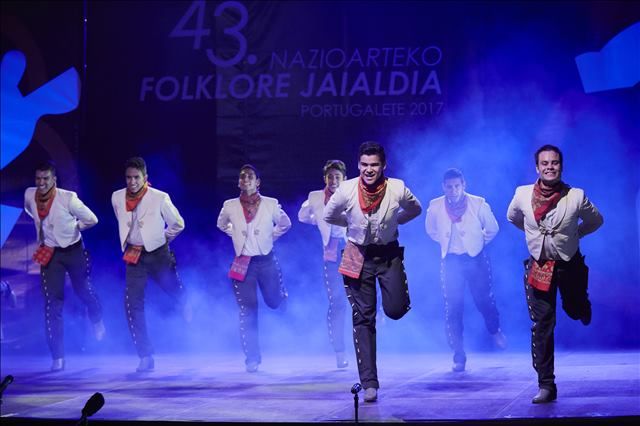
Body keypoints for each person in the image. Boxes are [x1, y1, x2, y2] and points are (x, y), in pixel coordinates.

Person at [323, 141, 422, 402]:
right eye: (364, 165)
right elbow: (329, 214)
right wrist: (349, 225)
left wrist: (396, 220)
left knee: (395, 310)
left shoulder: (396, 188)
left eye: (374, 165)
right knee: (363, 318)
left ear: (383, 165)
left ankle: (388, 307)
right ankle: (369, 383)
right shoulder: (347, 189)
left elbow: (415, 208)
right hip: (357, 254)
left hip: (388, 254)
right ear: (358, 165)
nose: (369, 170)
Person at [507, 144, 603, 403]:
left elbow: (596, 221)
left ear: (561, 166)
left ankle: (582, 307)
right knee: (543, 324)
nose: (550, 167)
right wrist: (533, 234)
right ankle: (546, 384)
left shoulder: (576, 196)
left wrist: (576, 234)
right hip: (539, 266)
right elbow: (512, 217)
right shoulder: (523, 194)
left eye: (555, 163)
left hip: (569, 265)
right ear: (537, 167)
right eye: (545, 163)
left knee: (573, 308)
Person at [24, 161, 105, 371]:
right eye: (38, 179)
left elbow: (92, 219)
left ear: (54, 180)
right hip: (50, 253)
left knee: (83, 290)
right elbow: (29, 210)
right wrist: (46, 231)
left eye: (46, 179)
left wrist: (72, 228)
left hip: (73, 250)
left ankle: (96, 318)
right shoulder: (29, 195)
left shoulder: (68, 198)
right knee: (53, 304)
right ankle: (57, 357)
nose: (41, 183)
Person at [112, 156, 190, 372]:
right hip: (134, 256)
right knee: (132, 303)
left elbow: (178, 223)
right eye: (128, 177)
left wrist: (161, 239)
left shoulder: (159, 197)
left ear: (145, 178)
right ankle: (145, 355)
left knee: (173, 289)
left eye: (136, 177)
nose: (132, 182)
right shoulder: (117, 197)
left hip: (158, 254)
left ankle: (185, 301)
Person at [425, 168, 507, 373]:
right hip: (451, 261)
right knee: (453, 308)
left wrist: (477, 245)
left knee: (483, 300)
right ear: (443, 187)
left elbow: (493, 228)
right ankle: (459, 355)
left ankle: (494, 329)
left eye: (457, 186)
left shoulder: (477, 203)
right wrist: (447, 245)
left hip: (475, 260)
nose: (453, 190)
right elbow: (431, 230)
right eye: (449, 186)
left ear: (463, 185)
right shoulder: (435, 205)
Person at [217, 164, 291, 373]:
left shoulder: (270, 204)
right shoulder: (230, 205)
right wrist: (236, 234)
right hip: (243, 263)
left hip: (265, 261)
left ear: (258, 182)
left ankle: (281, 298)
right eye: (242, 177)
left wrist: (270, 235)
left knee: (273, 301)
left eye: (250, 177)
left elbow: (285, 224)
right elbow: (221, 224)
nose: (245, 180)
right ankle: (252, 357)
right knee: (248, 310)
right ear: (238, 182)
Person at [298, 159, 349, 369]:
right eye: (330, 176)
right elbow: (302, 216)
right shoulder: (315, 197)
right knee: (337, 302)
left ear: (344, 179)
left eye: (337, 176)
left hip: (351, 249)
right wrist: (318, 220)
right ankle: (340, 351)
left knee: (356, 300)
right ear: (325, 178)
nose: (334, 180)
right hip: (331, 252)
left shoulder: (353, 194)